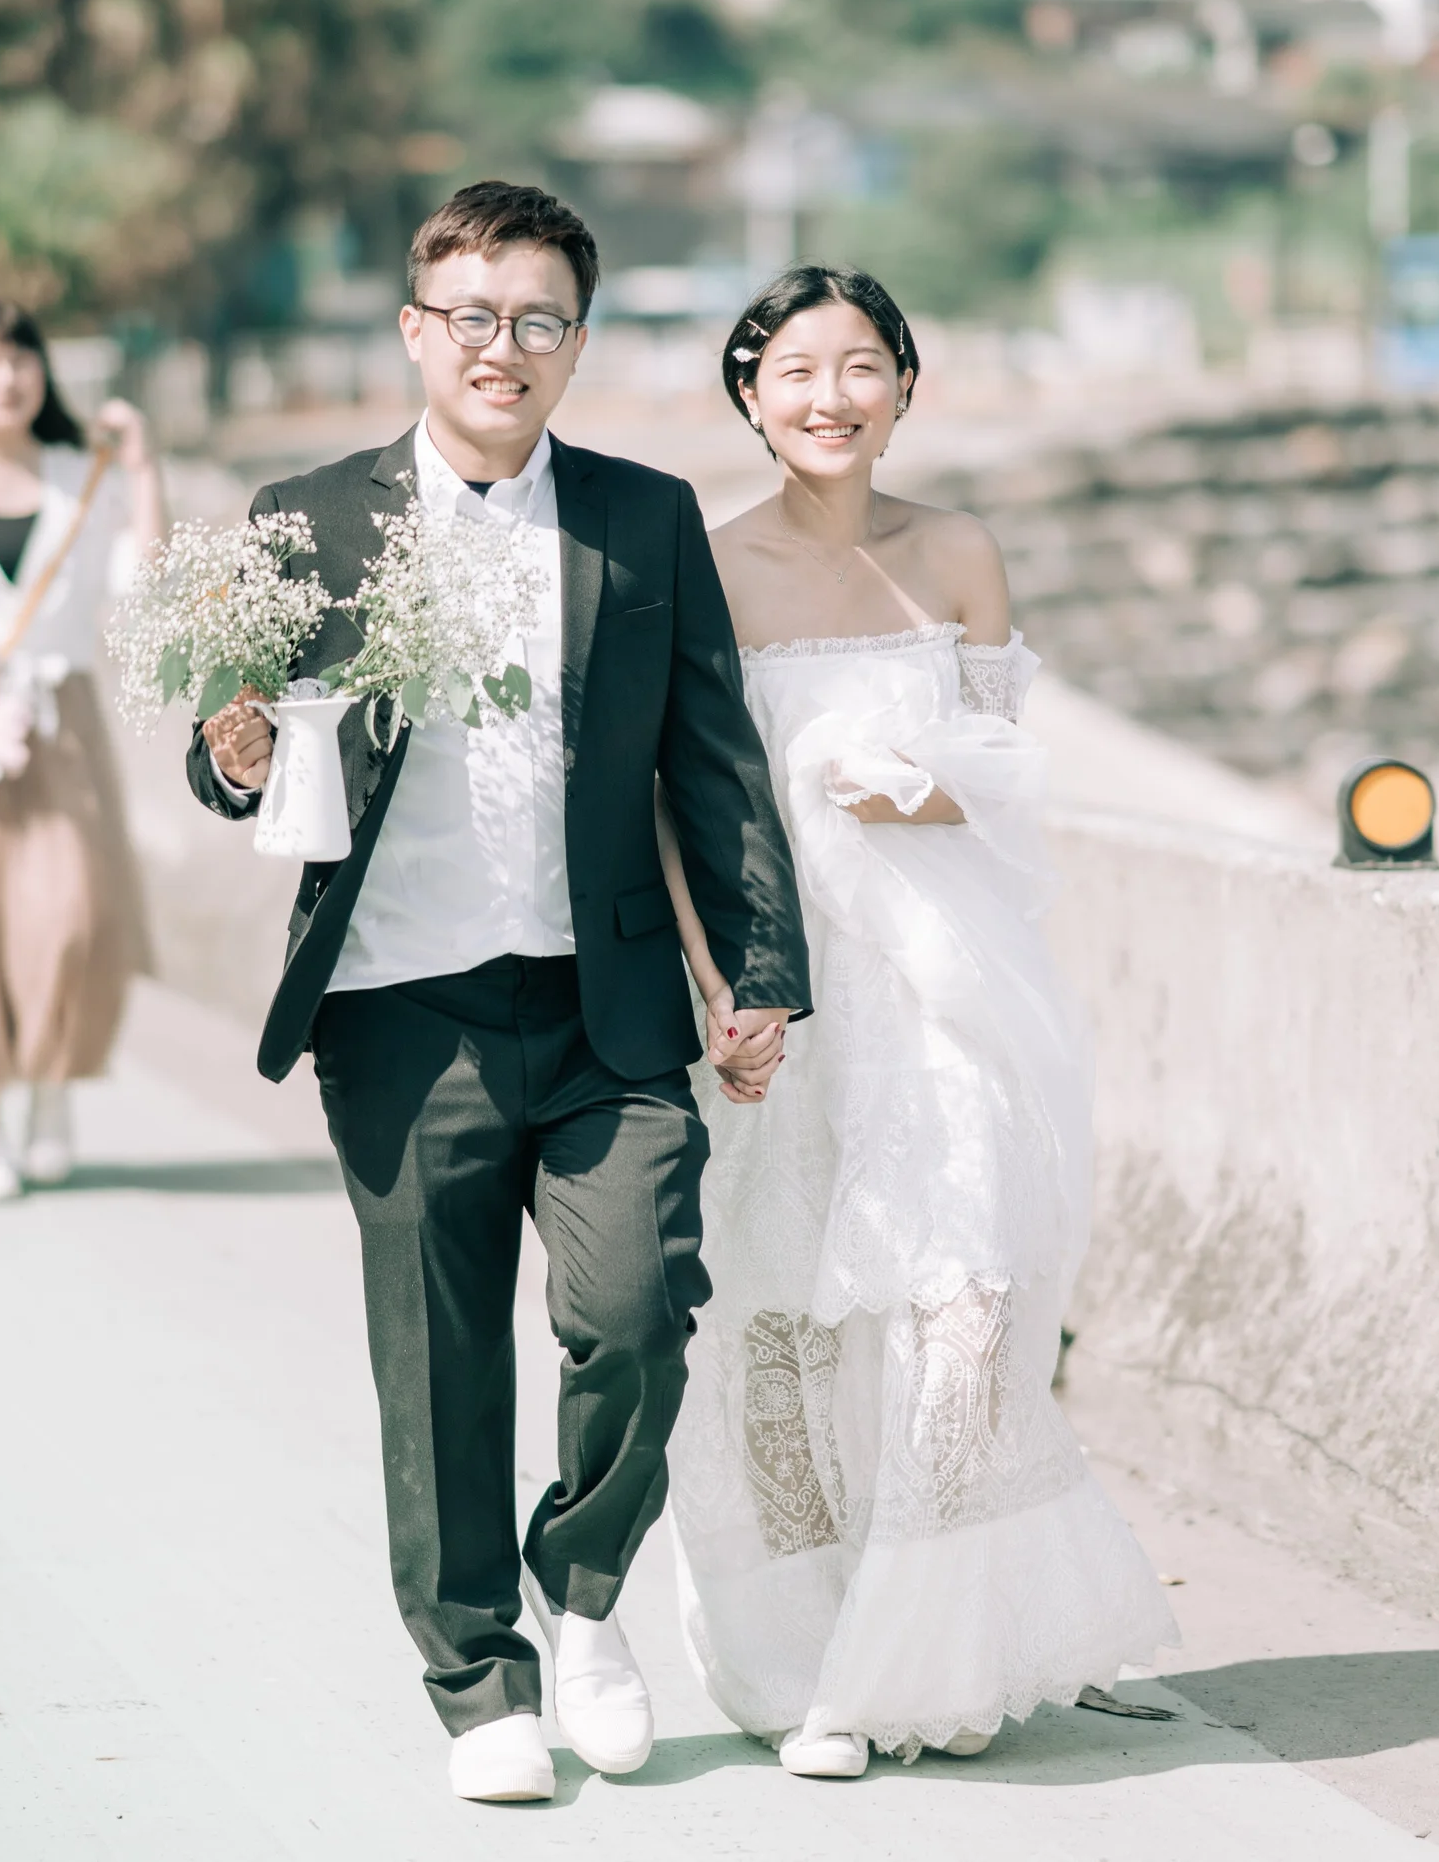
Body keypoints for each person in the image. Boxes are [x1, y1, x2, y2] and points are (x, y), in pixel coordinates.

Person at [188, 182, 810, 1805]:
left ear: (576, 343)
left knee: (638, 1314)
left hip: (608, 1006)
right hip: (399, 1007)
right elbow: (229, 745)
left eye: (538, 319)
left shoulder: (642, 514)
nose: (503, 347)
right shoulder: (305, 518)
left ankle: (583, 1591)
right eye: (473, 315)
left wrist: (759, 972)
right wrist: (233, 753)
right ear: (417, 330)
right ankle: (478, 1677)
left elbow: (712, 759)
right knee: (440, 1358)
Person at [660, 265, 1178, 1776]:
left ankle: (913, 1661)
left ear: (905, 387)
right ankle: (802, 1652)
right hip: (785, 997)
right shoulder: (708, 568)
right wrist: (717, 989)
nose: (830, 396)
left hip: (953, 991)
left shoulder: (959, 552)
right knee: (779, 1322)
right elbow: (673, 804)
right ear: (750, 394)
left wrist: (910, 784)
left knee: (964, 1304)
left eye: (861, 366)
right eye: (796, 369)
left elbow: (1005, 778)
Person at [0, 301, 162, 1206]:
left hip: (59, 722)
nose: (4, 377)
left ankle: (45, 1083)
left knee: (69, 919)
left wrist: (143, 469)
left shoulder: (85, 473)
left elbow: (142, 586)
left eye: (19, 358)